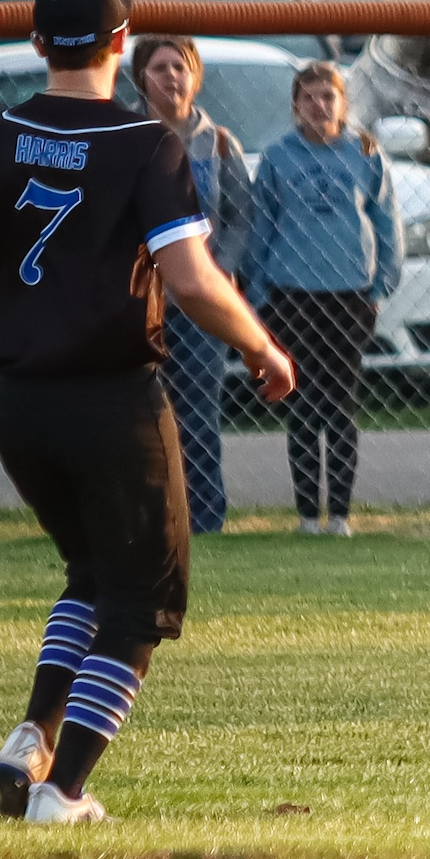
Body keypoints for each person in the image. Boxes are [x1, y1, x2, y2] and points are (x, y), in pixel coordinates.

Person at [0, 0, 294, 824]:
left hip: (19, 404)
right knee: (143, 599)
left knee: (92, 572)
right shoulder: (146, 144)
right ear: (122, 41)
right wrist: (262, 346)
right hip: (113, 402)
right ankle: (64, 791)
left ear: (38, 41)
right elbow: (192, 280)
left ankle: (31, 738)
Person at [246, 62, 400, 537]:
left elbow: (387, 223)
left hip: (348, 296)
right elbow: (259, 227)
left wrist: (380, 286)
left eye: (327, 97)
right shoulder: (277, 157)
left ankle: (340, 516)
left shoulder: (365, 151)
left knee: (341, 404)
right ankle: (308, 515)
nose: (319, 106)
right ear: (295, 105)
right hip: (292, 296)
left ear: (343, 103)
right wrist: (258, 292)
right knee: (302, 405)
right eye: (309, 97)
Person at [131, 36, 252, 534]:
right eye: (159, 68)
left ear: (195, 77)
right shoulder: (125, 139)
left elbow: (240, 218)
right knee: (140, 412)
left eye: (179, 67)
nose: (170, 77)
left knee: (199, 411)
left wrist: (218, 271)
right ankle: (148, 516)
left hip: (200, 303)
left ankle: (204, 517)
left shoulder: (218, 143)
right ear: (141, 79)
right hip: (140, 302)